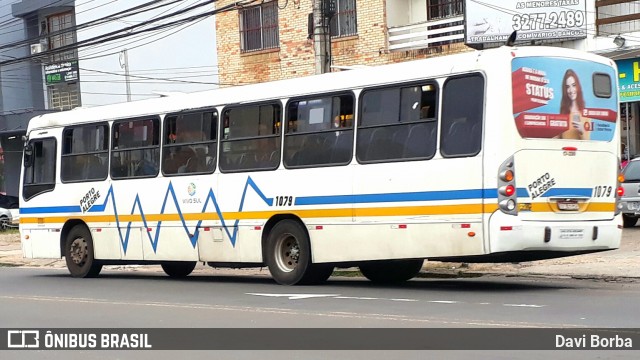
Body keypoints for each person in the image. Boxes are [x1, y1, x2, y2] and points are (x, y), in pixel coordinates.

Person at [558, 69, 588, 140]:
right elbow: (558, 138)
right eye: (568, 87)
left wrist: (582, 131)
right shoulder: (563, 113)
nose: (571, 90)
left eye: (573, 85)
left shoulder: (586, 114)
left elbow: (588, 142)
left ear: (578, 86)